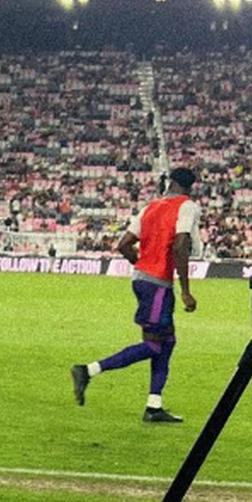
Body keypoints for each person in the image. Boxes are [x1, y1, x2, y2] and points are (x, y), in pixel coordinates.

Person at [71, 166, 201, 423]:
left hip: (144, 281)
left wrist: (142, 264)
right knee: (153, 345)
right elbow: (180, 244)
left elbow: (123, 245)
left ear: (170, 182)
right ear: (189, 187)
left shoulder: (150, 207)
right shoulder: (187, 206)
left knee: (167, 342)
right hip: (158, 285)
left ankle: (154, 405)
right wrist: (186, 291)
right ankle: (88, 370)